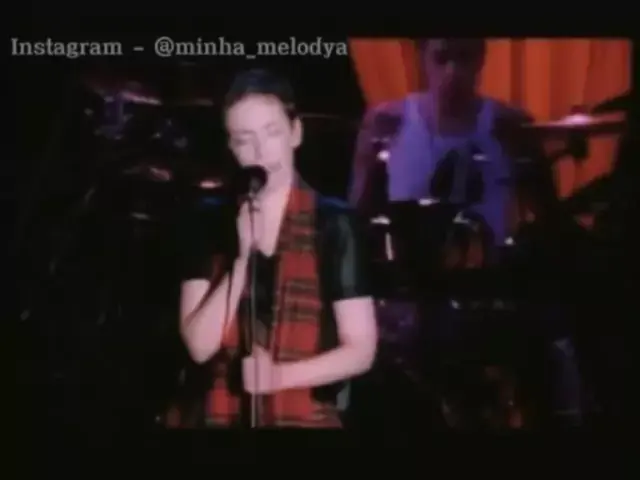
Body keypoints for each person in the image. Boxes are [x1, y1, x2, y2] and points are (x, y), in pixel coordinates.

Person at [165, 68, 377, 428]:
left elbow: (361, 349)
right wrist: (241, 260)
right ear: (232, 148)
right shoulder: (208, 221)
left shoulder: (333, 222)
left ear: (296, 132)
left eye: (272, 133)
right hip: (220, 413)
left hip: (304, 413)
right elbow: (199, 346)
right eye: (245, 140)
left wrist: (279, 377)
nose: (261, 152)